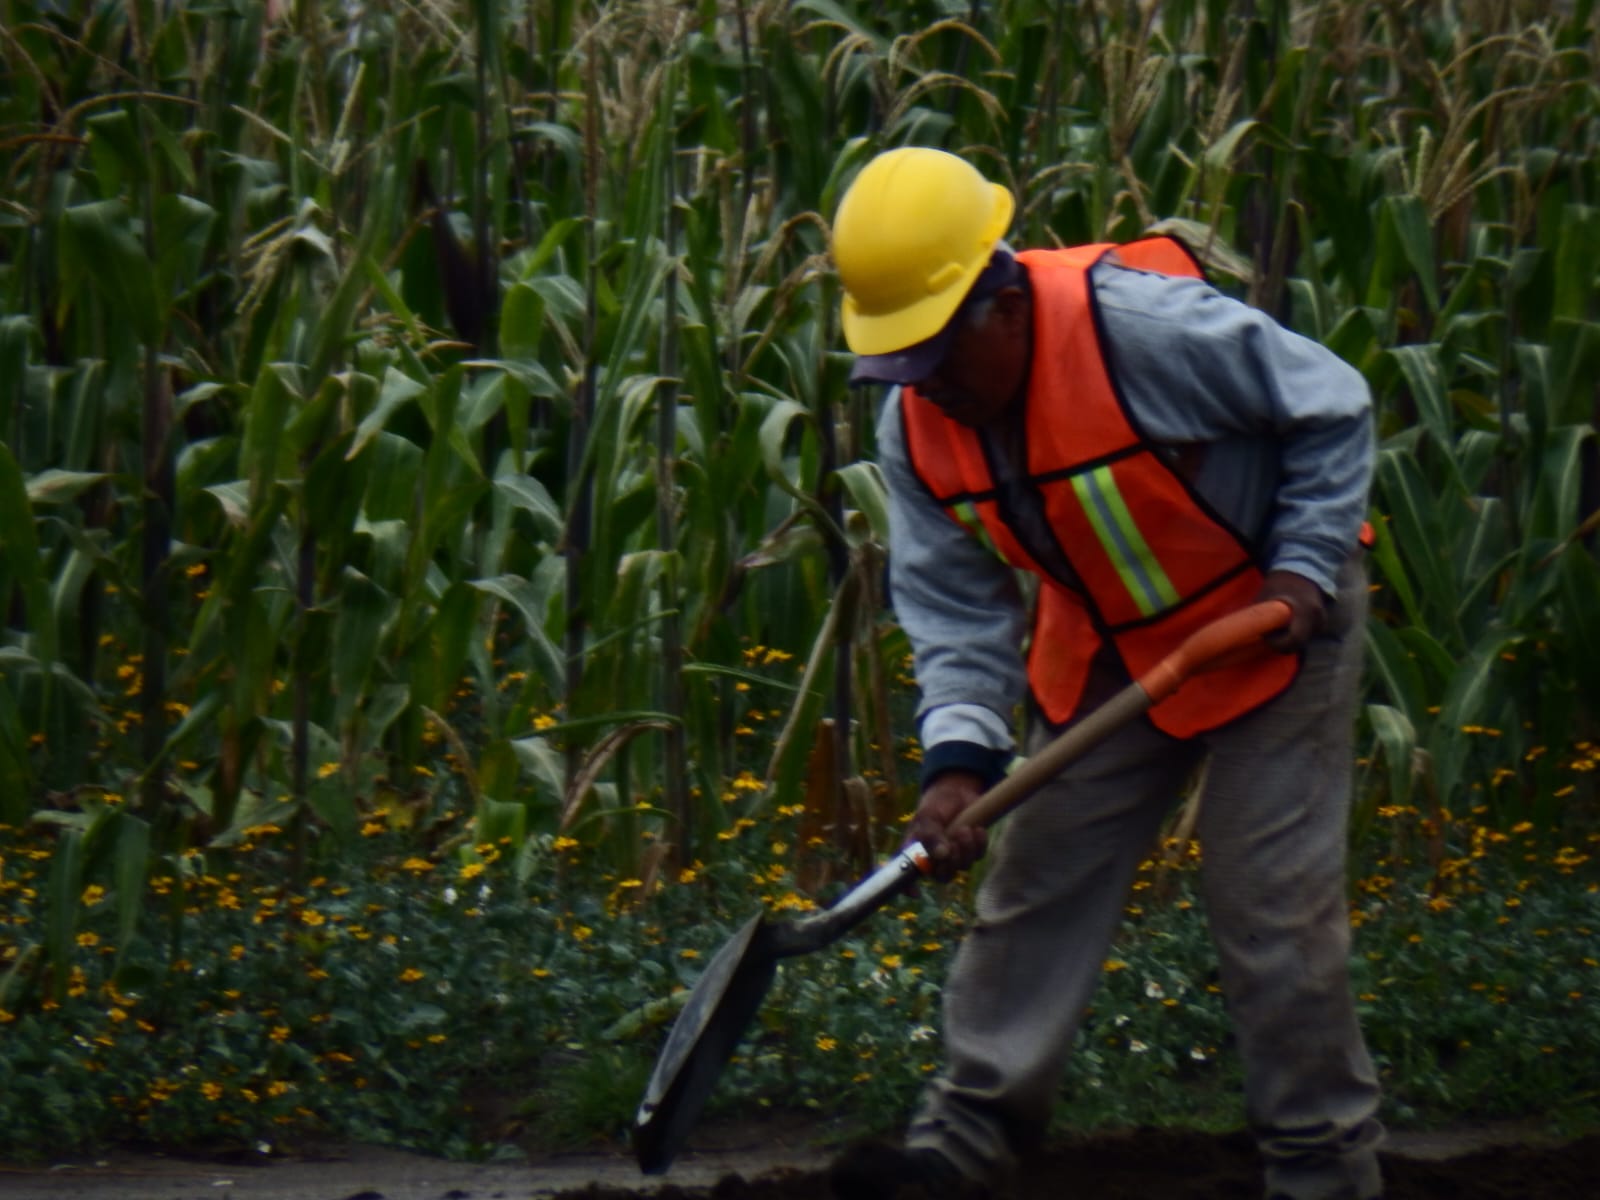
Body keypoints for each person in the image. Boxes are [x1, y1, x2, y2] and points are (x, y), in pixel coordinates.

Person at [824, 147, 1385, 1200]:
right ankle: (965, 1141)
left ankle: (1321, 1169)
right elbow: (950, 601)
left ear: (999, 301)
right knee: (1032, 881)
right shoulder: (919, 423)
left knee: (1269, 913)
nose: (925, 384)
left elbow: (1331, 402)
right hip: (1112, 643)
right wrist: (956, 758)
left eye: (938, 354)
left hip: (1268, 625)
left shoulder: (1143, 331)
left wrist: (1305, 569)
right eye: (901, 363)